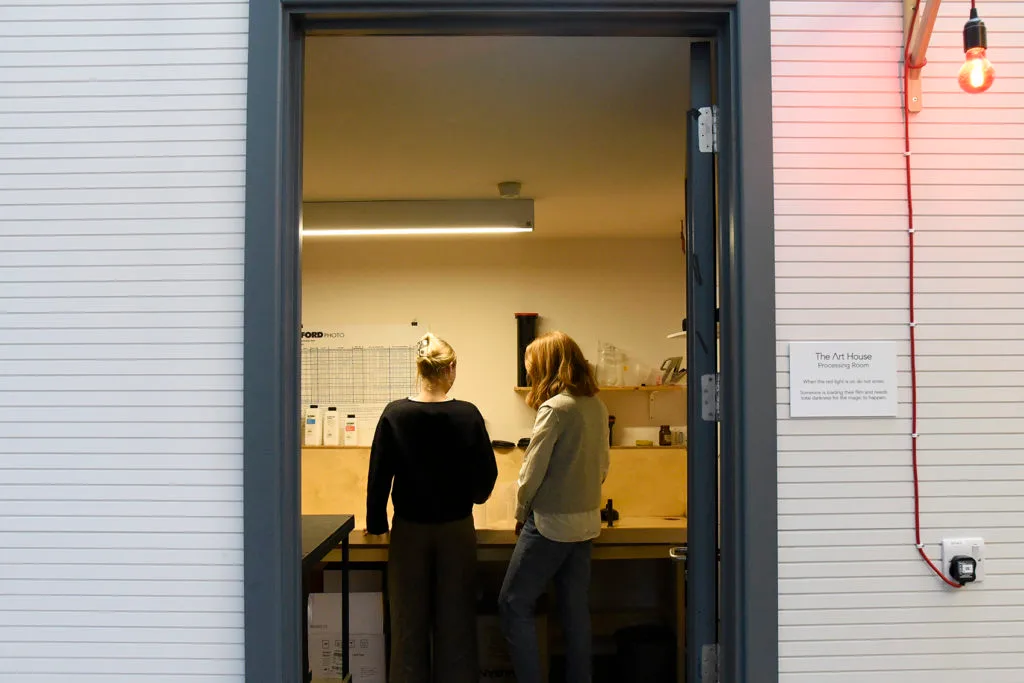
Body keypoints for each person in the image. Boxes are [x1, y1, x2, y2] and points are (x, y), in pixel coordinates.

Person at [365, 333, 498, 683]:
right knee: (456, 625)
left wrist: (377, 523)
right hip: (456, 529)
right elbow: (486, 477)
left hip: (409, 531)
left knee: (408, 626)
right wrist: (473, 494)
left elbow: (379, 473)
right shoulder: (468, 415)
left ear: (419, 369)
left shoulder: (396, 414)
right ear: (450, 369)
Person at [498, 331, 609, 683]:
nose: (530, 375)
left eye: (532, 368)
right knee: (575, 610)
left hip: (550, 525)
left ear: (547, 367)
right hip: (587, 522)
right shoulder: (596, 404)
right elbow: (604, 466)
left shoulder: (555, 408)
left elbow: (532, 472)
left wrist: (520, 513)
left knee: (513, 604)